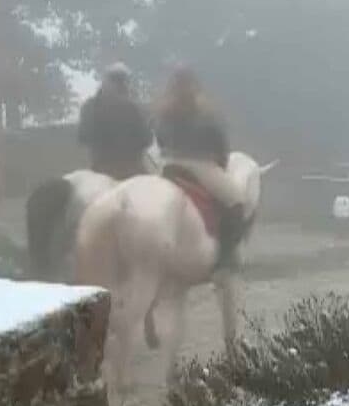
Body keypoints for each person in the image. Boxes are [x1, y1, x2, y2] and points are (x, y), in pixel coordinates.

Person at [152, 66, 246, 270]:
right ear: (195, 85)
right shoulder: (207, 112)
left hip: (168, 165)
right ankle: (225, 257)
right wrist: (221, 163)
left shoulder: (163, 111)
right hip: (201, 165)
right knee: (237, 201)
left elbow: (159, 140)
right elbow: (220, 144)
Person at [76, 62, 153, 181]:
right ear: (125, 83)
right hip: (132, 170)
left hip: (99, 168)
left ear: (104, 81)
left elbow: (82, 137)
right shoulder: (133, 107)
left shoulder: (89, 106)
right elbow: (147, 140)